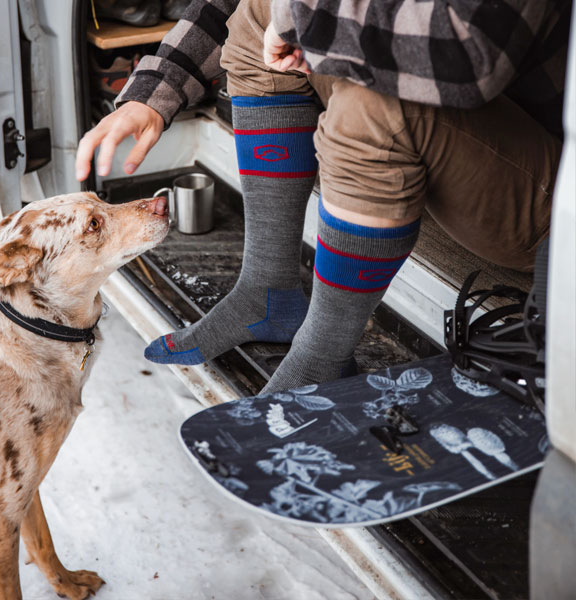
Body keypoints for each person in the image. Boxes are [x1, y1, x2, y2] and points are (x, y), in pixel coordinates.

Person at [76, 0, 570, 393]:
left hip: (551, 194)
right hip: (457, 129)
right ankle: (267, 291)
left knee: (370, 104)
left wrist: (300, 20)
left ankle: (325, 356)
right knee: (254, 19)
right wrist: (154, 91)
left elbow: (467, 48)